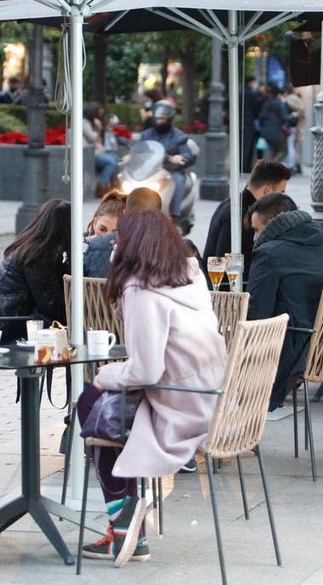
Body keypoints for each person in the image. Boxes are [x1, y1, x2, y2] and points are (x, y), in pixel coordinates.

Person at [77, 209, 226, 566]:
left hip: (179, 406)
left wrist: (105, 375)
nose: (113, 246)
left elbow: (146, 369)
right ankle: (127, 525)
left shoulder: (141, 289)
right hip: (214, 398)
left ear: (132, 245)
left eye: (118, 240)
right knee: (103, 407)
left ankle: (125, 524)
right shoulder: (189, 275)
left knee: (91, 404)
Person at [246, 193, 323, 416]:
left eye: (257, 230)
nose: (254, 238)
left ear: (271, 224)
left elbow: (256, 316)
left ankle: (237, 423)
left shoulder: (268, 254)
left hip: (298, 355)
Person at [0, 199, 71, 342]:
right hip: (12, 332)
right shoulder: (38, 256)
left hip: (8, 324)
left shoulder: (30, 246)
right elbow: (53, 307)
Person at [202, 159, 290, 283]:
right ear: (268, 190)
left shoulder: (231, 204)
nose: (281, 199)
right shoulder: (241, 216)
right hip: (230, 289)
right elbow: (226, 267)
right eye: (281, 193)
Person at [84, 188, 162, 279]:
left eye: (115, 231)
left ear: (125, 213)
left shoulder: (96, 246)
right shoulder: (168, 251)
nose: (107, 235)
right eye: (102, 229)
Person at [138, 100, 195, 223]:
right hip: (149, 172)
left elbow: (187, 154)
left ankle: (174, 216)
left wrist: (181, 157)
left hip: (171, 171)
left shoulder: (178, 135)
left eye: (162, 119)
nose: (159, 121)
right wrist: (131, 156)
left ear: (169, 119)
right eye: (157, 118)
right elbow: (139, 150)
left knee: (178, 181)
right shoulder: (146, 135)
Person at [84, 102, 120, 196]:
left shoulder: (93, 123)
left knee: (116, 158)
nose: (100, 116)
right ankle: (102, 185)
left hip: (96, 151)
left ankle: (113, 183)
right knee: (110, 162)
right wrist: (99, 128)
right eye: (99, 113)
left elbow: (98, 140)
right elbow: (92, 137)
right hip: (89, 154)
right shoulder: (85, 123)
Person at [256, 83, 290, 164]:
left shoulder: (266, 103)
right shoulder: (279, 103)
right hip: (277, 131)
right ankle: (270, 166)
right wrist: (294, 116)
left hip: (266, 132)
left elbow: (261, 117)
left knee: (274, 152)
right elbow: (284, 117)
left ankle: (272, 169)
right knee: (284, 151)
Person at [281, 83, 306, 173]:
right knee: (294, 146)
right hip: (296, 126)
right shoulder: (296, 98)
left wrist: (293, 115)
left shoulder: (288, 99)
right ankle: (296, 165)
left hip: (291, 126)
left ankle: (291, 165)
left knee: (290, 146)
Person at [241, 76, 262, 172]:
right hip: (249, 123)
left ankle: (239, 166)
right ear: (251, 82)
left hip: (238, 123)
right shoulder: (252, 94)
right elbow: (256, 108)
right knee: (248, 147)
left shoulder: (239, 92)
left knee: (239, 146)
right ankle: (245, 167)